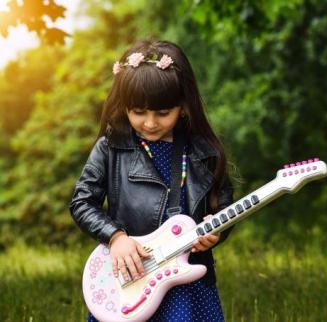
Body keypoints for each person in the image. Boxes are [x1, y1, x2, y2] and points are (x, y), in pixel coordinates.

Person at [70, 39, 234, 322]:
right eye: (138, 112)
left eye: (162, 113)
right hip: (132, 275)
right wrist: (116, 237)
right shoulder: (111, 146)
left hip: (187, 281)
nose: (150, 123)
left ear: (183, 105)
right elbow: (82, 201)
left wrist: (216, 231)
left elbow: (224, 204)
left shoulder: (203, 150)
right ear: (124, 106)